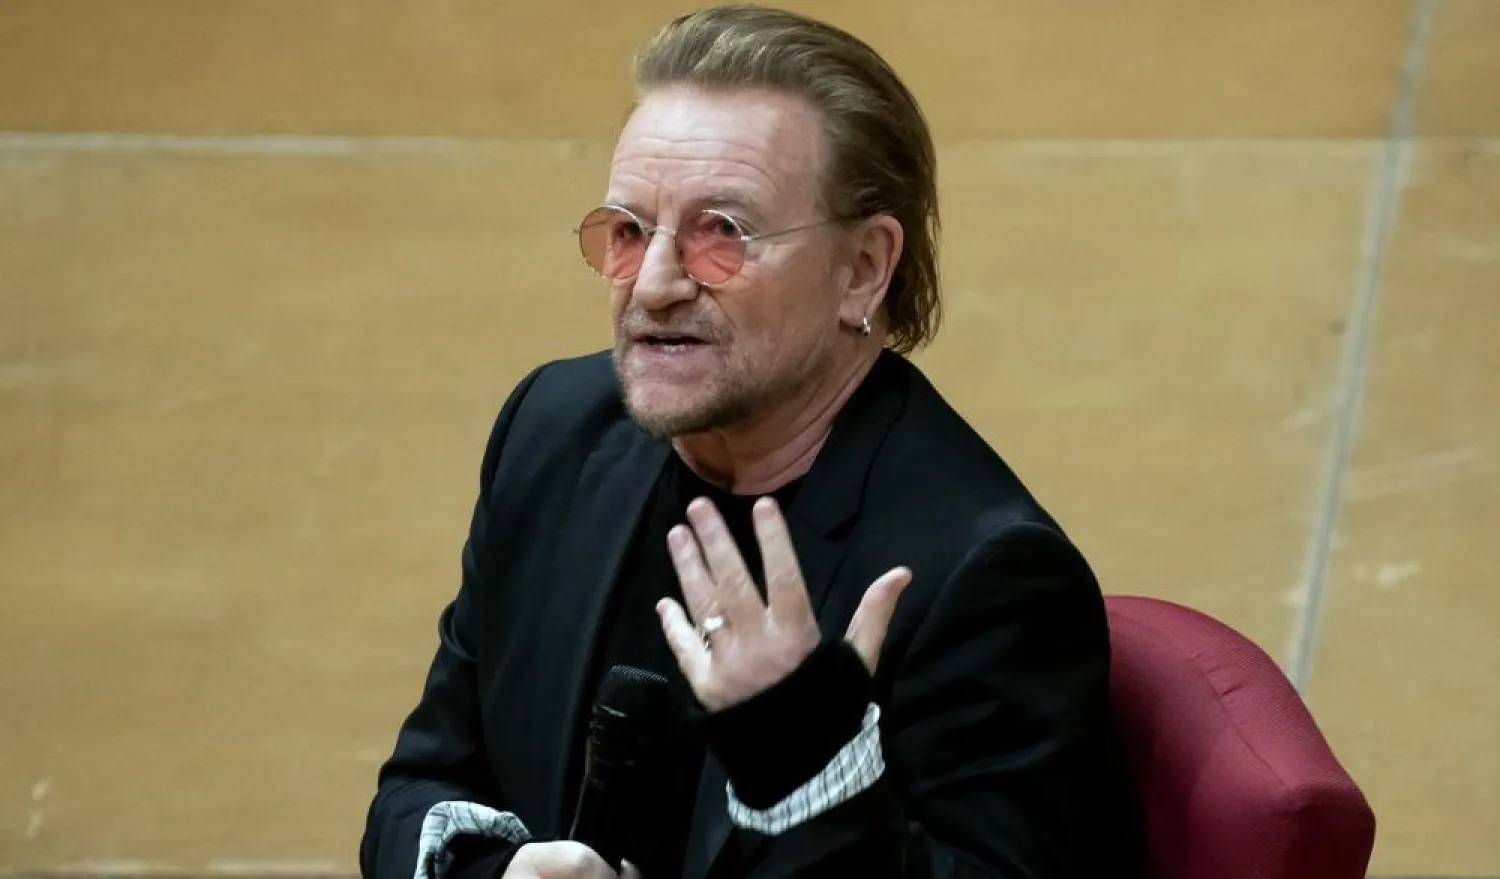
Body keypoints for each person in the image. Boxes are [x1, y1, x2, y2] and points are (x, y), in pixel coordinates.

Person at [359, 5, 1144, 878]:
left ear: (864, 269)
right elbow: (424, 782)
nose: (653, 286)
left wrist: (807, 763)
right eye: (628, 231)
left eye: (721, 235)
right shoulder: (554, 432)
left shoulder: (982, 578)